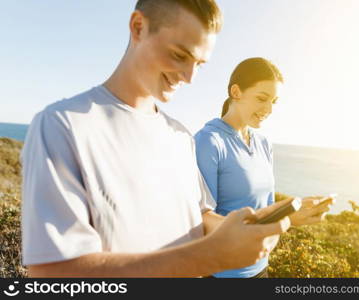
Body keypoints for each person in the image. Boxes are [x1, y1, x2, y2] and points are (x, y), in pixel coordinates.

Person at [20, 1, 302, 278]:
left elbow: (200, 218)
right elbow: (53, 275)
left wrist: (250, 227)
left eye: (199, 64)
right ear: (138, 27)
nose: (190, 77)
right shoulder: (63, 126)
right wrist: (209, 257)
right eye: (180, 55)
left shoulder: (180, 137)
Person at [195, 57, 334, 278]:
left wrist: (293, 209)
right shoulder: (208, 141)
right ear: (236, 92)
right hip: (224, 274)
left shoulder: (264, 143)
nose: (269, 109)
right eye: (262, 98)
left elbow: (266, 206)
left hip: (261, 267)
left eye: (274, 101)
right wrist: (285, 221)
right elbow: (200, 219)